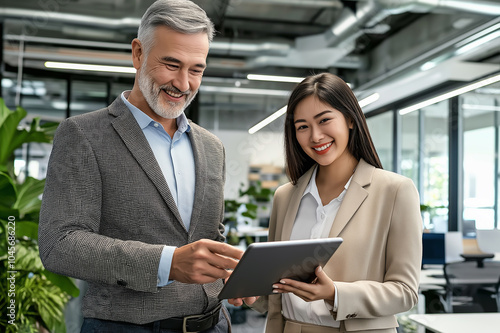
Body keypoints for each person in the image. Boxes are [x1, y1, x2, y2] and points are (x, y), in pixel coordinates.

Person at [38, 1, 244, 332]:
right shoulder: (84, 135)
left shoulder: (211, 147)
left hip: (213, 324)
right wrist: (168, 264)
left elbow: (208, 235)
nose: (183, 83)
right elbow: (59, 244)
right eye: (171, 64)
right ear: (138, 54)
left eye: (196, 69)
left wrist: (231, 274)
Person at [231, 73, 423, 333]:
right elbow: (277, 292)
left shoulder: (395, 191)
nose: (315, 136)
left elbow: (405, 292)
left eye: (324, 120)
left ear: (351, 120)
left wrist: (335, 293)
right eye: (302, 126)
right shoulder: (285, 197)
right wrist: (250, 292)